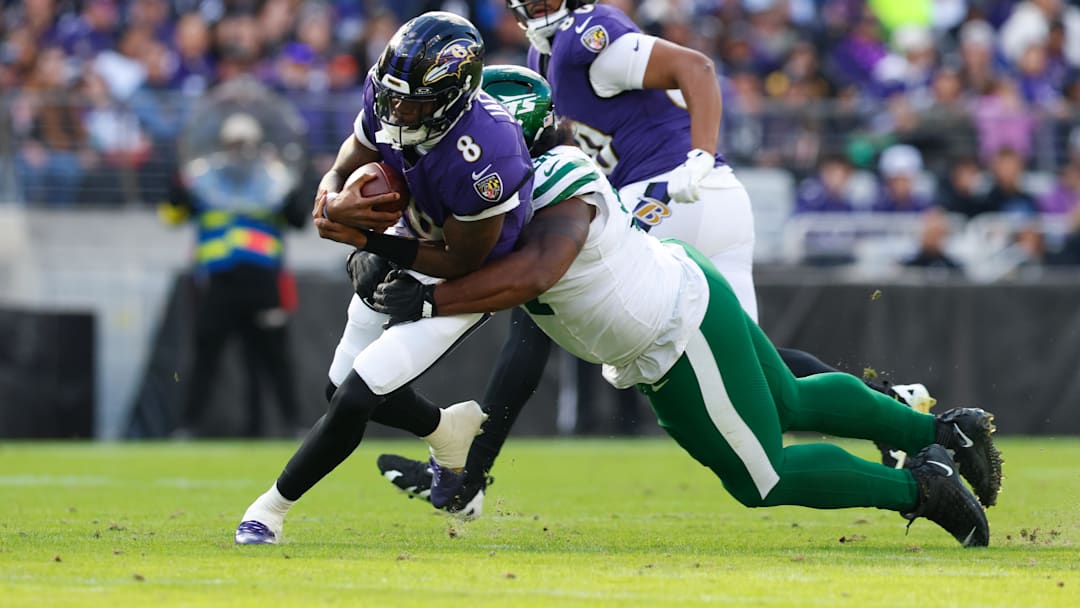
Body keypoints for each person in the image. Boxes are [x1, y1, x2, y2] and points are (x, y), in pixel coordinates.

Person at [358, 69, 1002, 547]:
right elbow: (466, 243)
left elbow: (529, 271)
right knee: (791, 399)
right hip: (677, 301)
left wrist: (428, 296)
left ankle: (923, 489)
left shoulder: (554, 183)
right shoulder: (518, 181)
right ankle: (946, 433)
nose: (470, 144)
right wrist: (378, 241)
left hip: (673, 330)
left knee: (763, 478)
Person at [232, 12, 535, 545]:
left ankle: (268, 512)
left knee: (357, 396)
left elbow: (463, 259)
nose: (396, 112)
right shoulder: (389, 98)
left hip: (467, 278)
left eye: (413, 104)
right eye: (393, 98)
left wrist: (369, 242)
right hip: (410, 236)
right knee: (339, 390)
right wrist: (331, 201)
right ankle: (445, 430)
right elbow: (345, 164)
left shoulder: (487, 150)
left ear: (452, 99)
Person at [166, 108, 307, 439]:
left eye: (245, 143)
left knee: (274, 358)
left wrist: (293, 189)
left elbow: (299, 220)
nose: (240, 150)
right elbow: (171, 216)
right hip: (219, 283)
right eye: (234, 143)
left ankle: (293, 424)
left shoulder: (275, 181)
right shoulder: (204, 180)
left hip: (263, 282)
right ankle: (187, 426)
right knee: (206, 356)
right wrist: (179, 186)